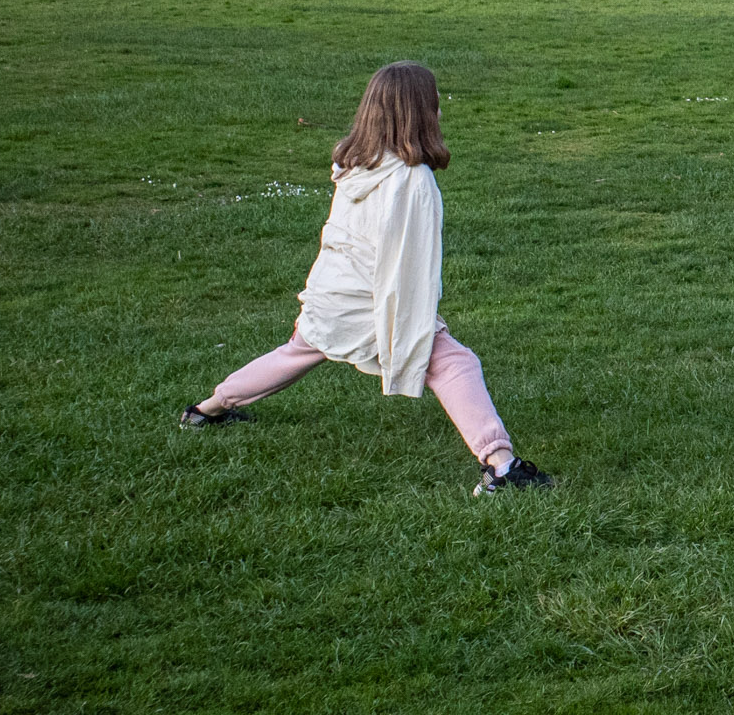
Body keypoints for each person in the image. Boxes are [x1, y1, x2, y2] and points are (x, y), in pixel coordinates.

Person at [179, 60, 553, 497]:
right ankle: (501, 468)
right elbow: (405, 265)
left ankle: (207, 410)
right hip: (369, 299)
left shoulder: (358, 164)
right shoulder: (412, 181)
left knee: (298, 351)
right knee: (454, 363)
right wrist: (418, 327)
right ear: (421, 113)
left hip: (331, 291)